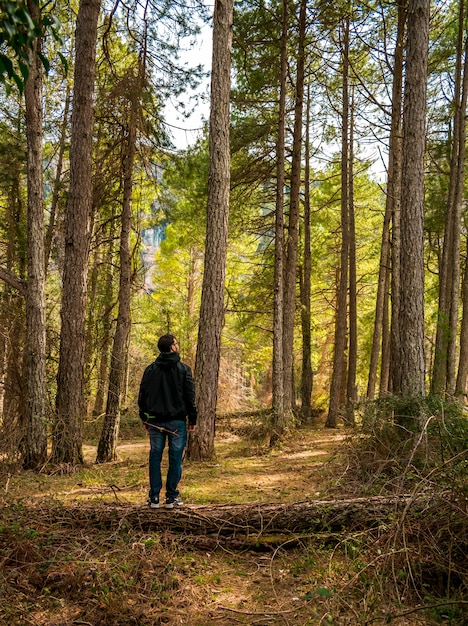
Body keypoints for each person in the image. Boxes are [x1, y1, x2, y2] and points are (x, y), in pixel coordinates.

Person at [138, 334, 197, 509]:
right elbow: (190, 397)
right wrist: (192, 419)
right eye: (176, 343)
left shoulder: (150, 370)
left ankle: (154, 498)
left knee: (155, 457)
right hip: (176, 422)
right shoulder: (183, 369)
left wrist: (145, 418)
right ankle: (171, 497)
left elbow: (142, 397)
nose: (177, 346)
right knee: (175, 458)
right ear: (172, 347)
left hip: (155, 421)